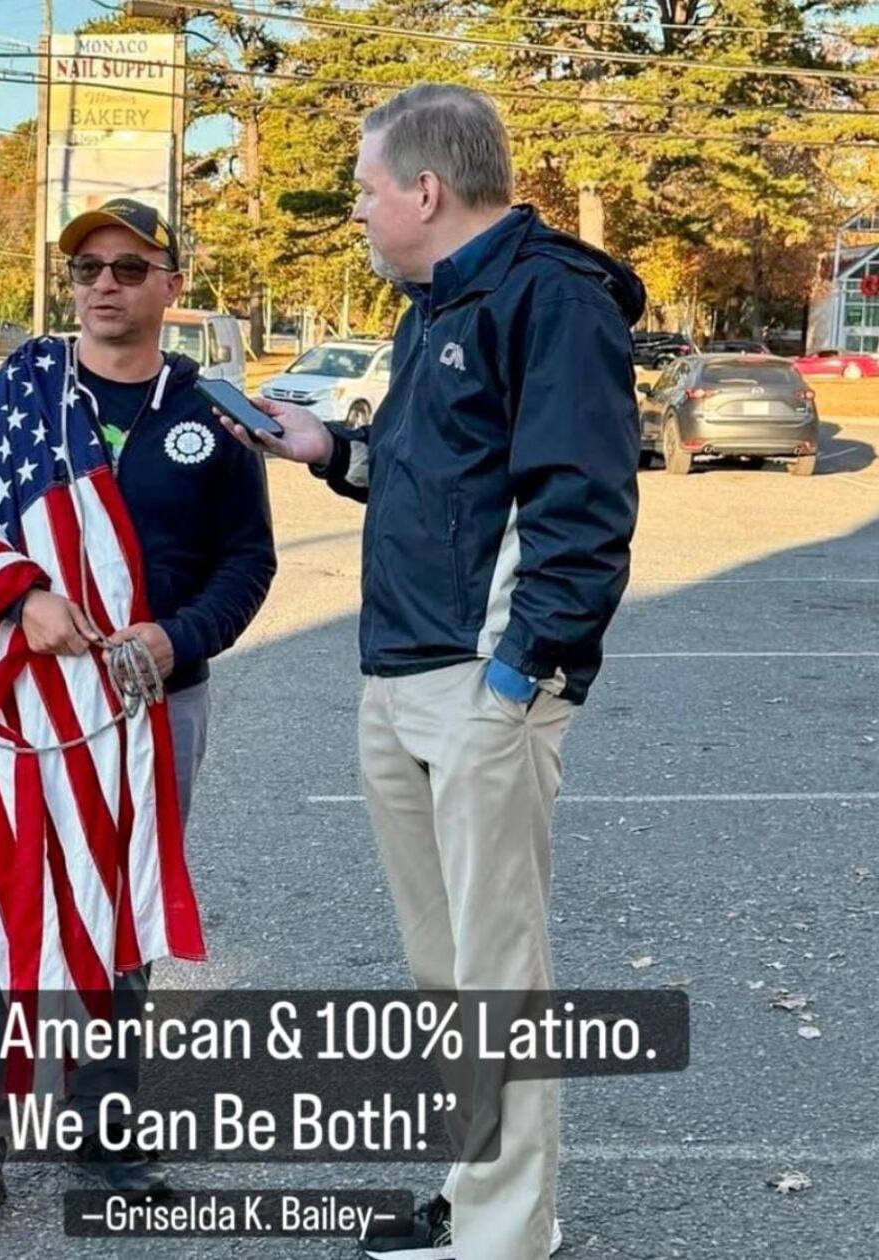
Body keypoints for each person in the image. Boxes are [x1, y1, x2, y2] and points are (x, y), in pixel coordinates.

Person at [220, 85, 644, 1260]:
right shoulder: (431, 309)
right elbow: (441, 484)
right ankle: (475, 1196)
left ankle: (507, 1236)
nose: (356, 210)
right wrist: (326, 449)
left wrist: (516, 682)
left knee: (495, 969)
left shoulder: (548, 299)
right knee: (442, 966)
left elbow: (582, 507)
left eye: (364, 190)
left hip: (479, 686)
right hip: (398, 673)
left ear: (423, 189)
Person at [0, 198, 276, 1252]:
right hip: (24, 699)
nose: (101, 285)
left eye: (126, 267)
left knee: (124, 913)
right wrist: (19, 597)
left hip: (154, 701)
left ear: (170, 286)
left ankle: (105, 1134)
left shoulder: (208, 416)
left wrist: (173, 639)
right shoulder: (14, 400)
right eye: (84, 271)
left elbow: (247, 563)